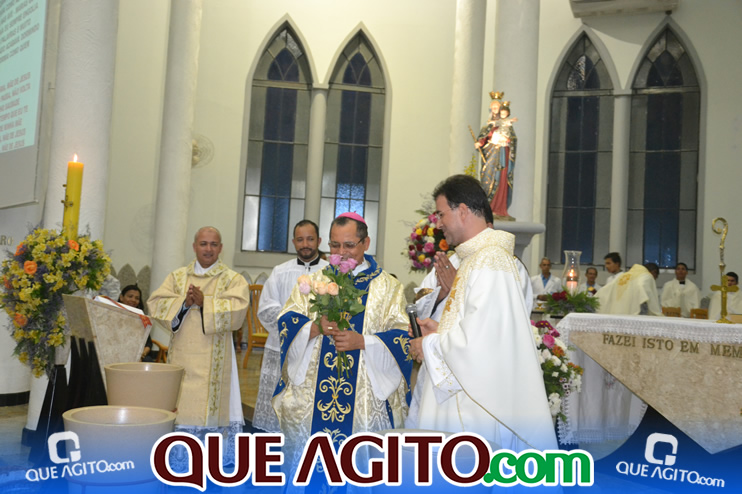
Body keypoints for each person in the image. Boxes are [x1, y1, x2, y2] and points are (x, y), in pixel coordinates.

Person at [408, 174, 557, 452]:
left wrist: (428, 344)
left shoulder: (491, 260)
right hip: (460, 393)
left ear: (463, 211)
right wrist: (438, 326)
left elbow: (480, 346)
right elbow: (473, 327)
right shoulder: (471, 258)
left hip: (472, 408)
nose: (438, 224)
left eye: (441, 214)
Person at [273, 212, 412, 465]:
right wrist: (315, 327)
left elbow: (402, 336)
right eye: (334, 245)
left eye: (349, 245)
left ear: (366, 243)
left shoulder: (388, 287)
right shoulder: (314, 281)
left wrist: (363, 342)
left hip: (364, 395)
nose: (341, 253)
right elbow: (287, 320)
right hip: (312, 394)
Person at [147, 226, 250, 467]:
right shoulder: (177, 277)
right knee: (181, 404)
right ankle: (179, 462)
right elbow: (156, 303)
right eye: (203, 244)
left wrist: (206, 303)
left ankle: (211, 465)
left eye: (213, 244)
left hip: (217, 361)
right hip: (182, 356)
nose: (208, 249)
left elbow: (238, 310)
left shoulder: (232, 279)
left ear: (221, 248)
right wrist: (184, 303)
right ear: (194, 247)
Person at [252, 220, 328, 433]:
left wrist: (315, 328)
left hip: (318, 348)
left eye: (310, 239)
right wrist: (300, 328)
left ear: (319, 241)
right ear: (294, 242)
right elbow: (266, 308)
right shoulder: (280, 271)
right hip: (282, 347)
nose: (305, 244)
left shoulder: (330, 272)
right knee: (280, 406)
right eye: (300, 239)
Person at [476, 93, 517, 220]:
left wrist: (507, 140)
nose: (495, 110)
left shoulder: (506, 125)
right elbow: (483, 137)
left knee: (501, 178)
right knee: (488, 179)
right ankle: (488, 208)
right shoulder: (489, 125)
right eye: (492, 108)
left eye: (497, 107)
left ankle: (499, 209)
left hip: (502, 154)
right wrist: (479, 143)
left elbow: (513, 139)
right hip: (491, 155)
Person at [118, 284, 154, 361]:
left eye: (137, 298)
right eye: (130, 296)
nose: (133, 300)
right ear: (121, 297)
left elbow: (148, 344)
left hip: (138, 354)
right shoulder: (112, 315)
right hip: (117, 352)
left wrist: (142, 355)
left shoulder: (142, 318)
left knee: (148, 360)